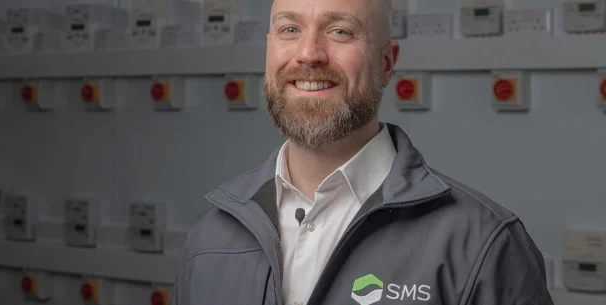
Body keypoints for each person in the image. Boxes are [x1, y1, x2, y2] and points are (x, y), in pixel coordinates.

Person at [170, 0, 554, 304]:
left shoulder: (483, 244)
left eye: (339, 31)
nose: (309, 53)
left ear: (387, 64)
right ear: (268, 51)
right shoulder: (211, 238)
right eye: (290, 29)